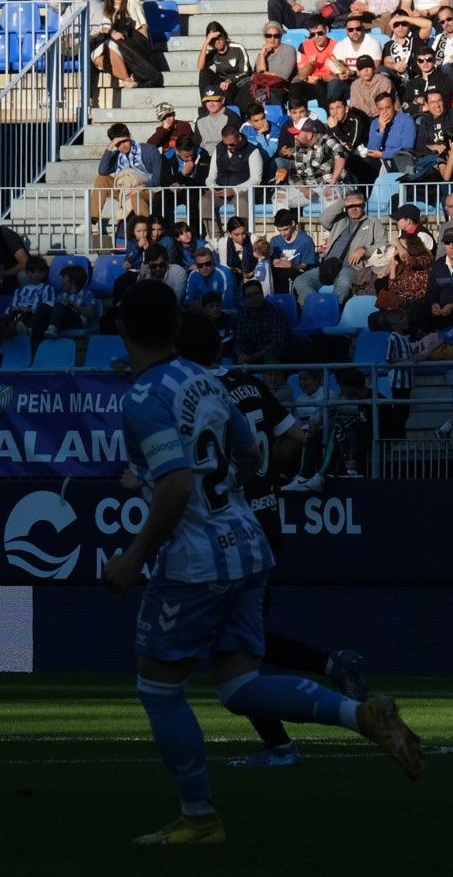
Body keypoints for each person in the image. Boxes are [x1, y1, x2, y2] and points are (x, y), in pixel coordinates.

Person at [100, 281, 421, 846]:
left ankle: (199, 818)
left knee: (159, 689)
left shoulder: (144, 397)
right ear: (176, 327)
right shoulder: (210, 381)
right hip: (247, 543)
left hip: (195, 562)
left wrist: (133, 556)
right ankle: (358, 715)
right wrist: (224, 502)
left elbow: (174, 486)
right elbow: (252, 455)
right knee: (240, 684)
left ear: (123, 328)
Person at [172, 308, 369, 768]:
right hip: (263, 519)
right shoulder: (249, 382)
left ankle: (287, 736)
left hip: (224, 525)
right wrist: (266, 480)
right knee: (241, 639)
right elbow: (296, 437)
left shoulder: (194, 393)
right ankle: (325, 674)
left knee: (235, 647)